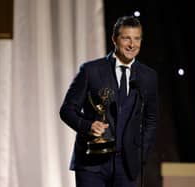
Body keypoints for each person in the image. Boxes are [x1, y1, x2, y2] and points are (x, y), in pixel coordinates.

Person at [60, 15, 159, 187]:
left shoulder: (148, 76)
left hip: (127, 165)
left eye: (137, 39)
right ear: (114, 39)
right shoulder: (91, 70)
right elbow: (67, 110)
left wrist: (140, 153)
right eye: (126, 38)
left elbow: (151, 118)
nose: (132, 44)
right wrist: (87, 126)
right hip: (91, 164)